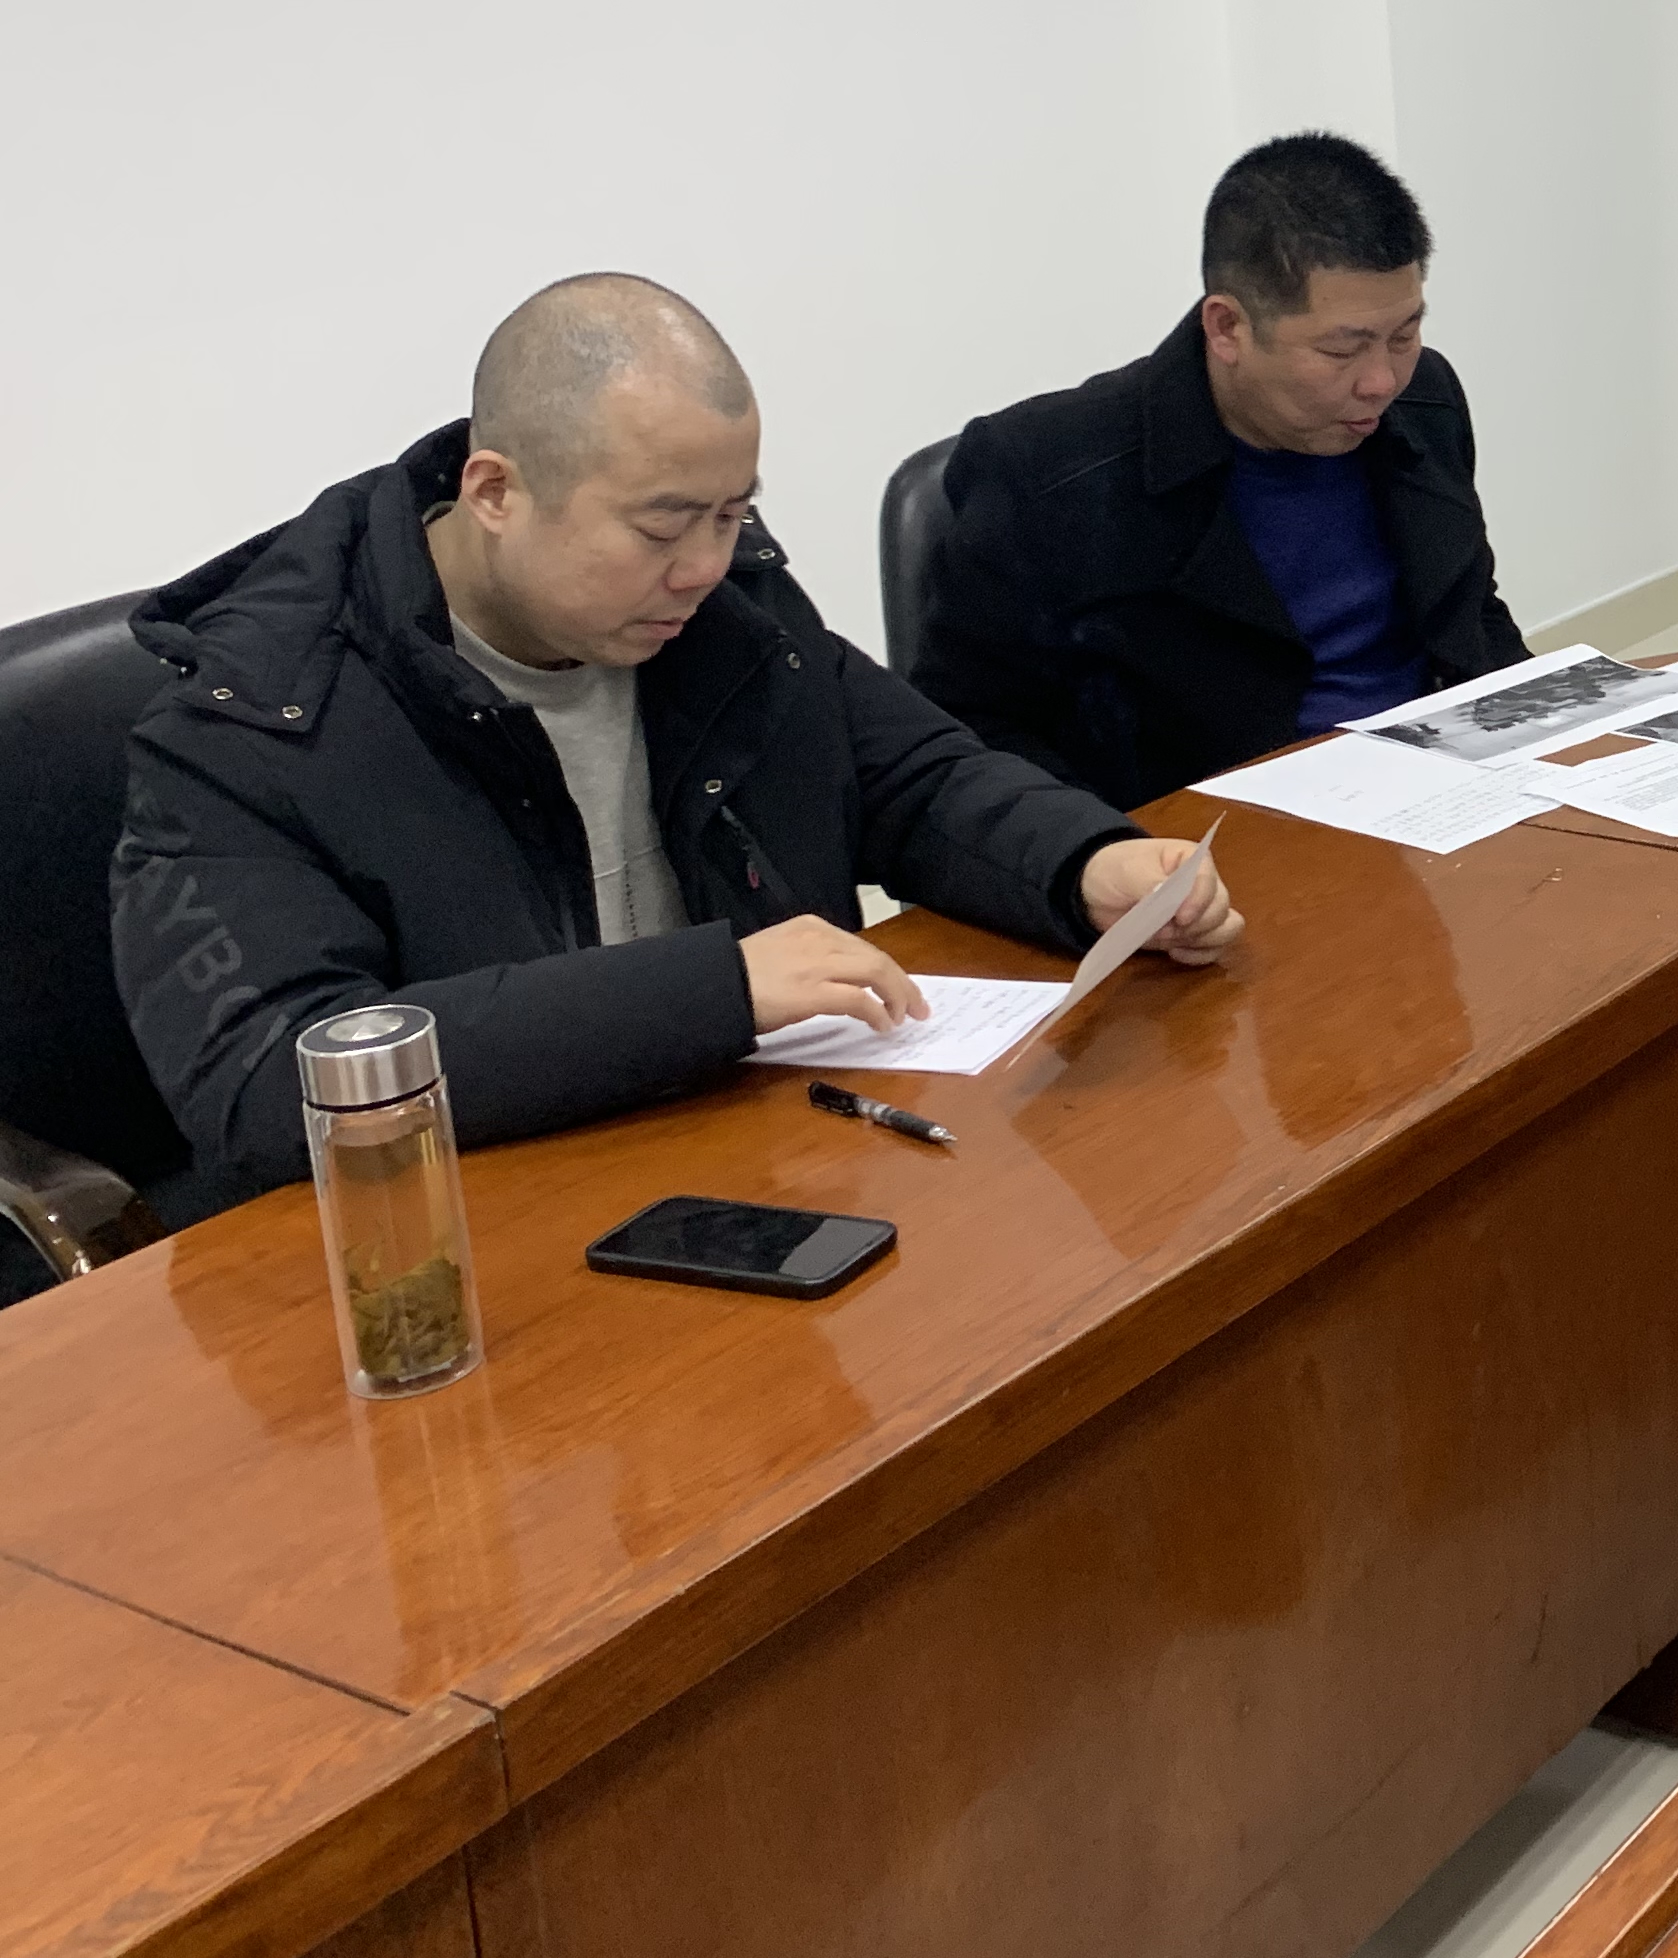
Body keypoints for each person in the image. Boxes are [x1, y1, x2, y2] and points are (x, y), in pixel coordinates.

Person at [115, 276, 1235, 1205]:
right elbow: (271, 1081)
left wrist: (1084, 861)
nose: (703, 566)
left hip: (763, 1164)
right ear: (495, 492)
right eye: (662, 526)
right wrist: (716, 991)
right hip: (474, 1231)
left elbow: (912, 776)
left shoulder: (721, 613)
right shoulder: (257, 720)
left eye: (732, 513)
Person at [911, 133, 1527, 809]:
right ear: (1227, 327)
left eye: (1404, 334)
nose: (1381, 381)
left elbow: (1470, 614)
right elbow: (970, 738)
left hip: (1442, 799)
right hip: (1213, 836)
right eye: (1341, 350)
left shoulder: (1425, 399)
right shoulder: (1047, 475)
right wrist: (1107, 850)